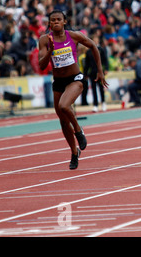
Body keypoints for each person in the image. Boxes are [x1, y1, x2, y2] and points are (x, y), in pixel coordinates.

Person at [38, 10, 108, 170]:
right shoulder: (44, 40)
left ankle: (78, 129)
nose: (55, 22)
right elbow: (42, 65)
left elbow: (94, 47)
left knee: (64, 106)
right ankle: (74, 152)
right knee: (62, 121)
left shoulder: (74, 36)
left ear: (64, 22)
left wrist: (100, 70)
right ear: (49, 23)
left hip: (75, 78)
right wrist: (50, 50)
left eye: (58, 20)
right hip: (58, 82)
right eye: (52, 20)